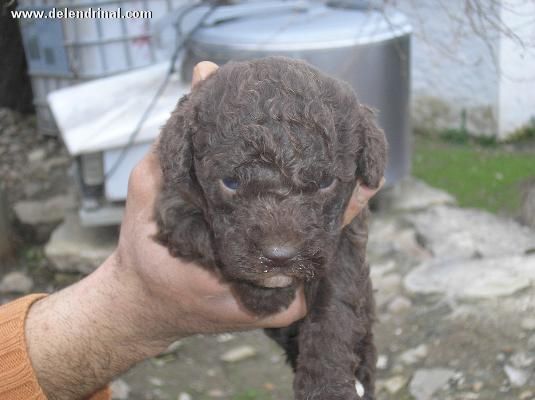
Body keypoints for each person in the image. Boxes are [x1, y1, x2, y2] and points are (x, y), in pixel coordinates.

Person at [0, 61, 384, 400]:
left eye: (320, 185)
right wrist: (137, 297)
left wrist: (328, 372)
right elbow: (174, 216)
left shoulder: (349, 138)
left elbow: (346, 276)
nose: (279, 243)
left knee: (338, 314)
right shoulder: (187, 155)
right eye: (232, 182)